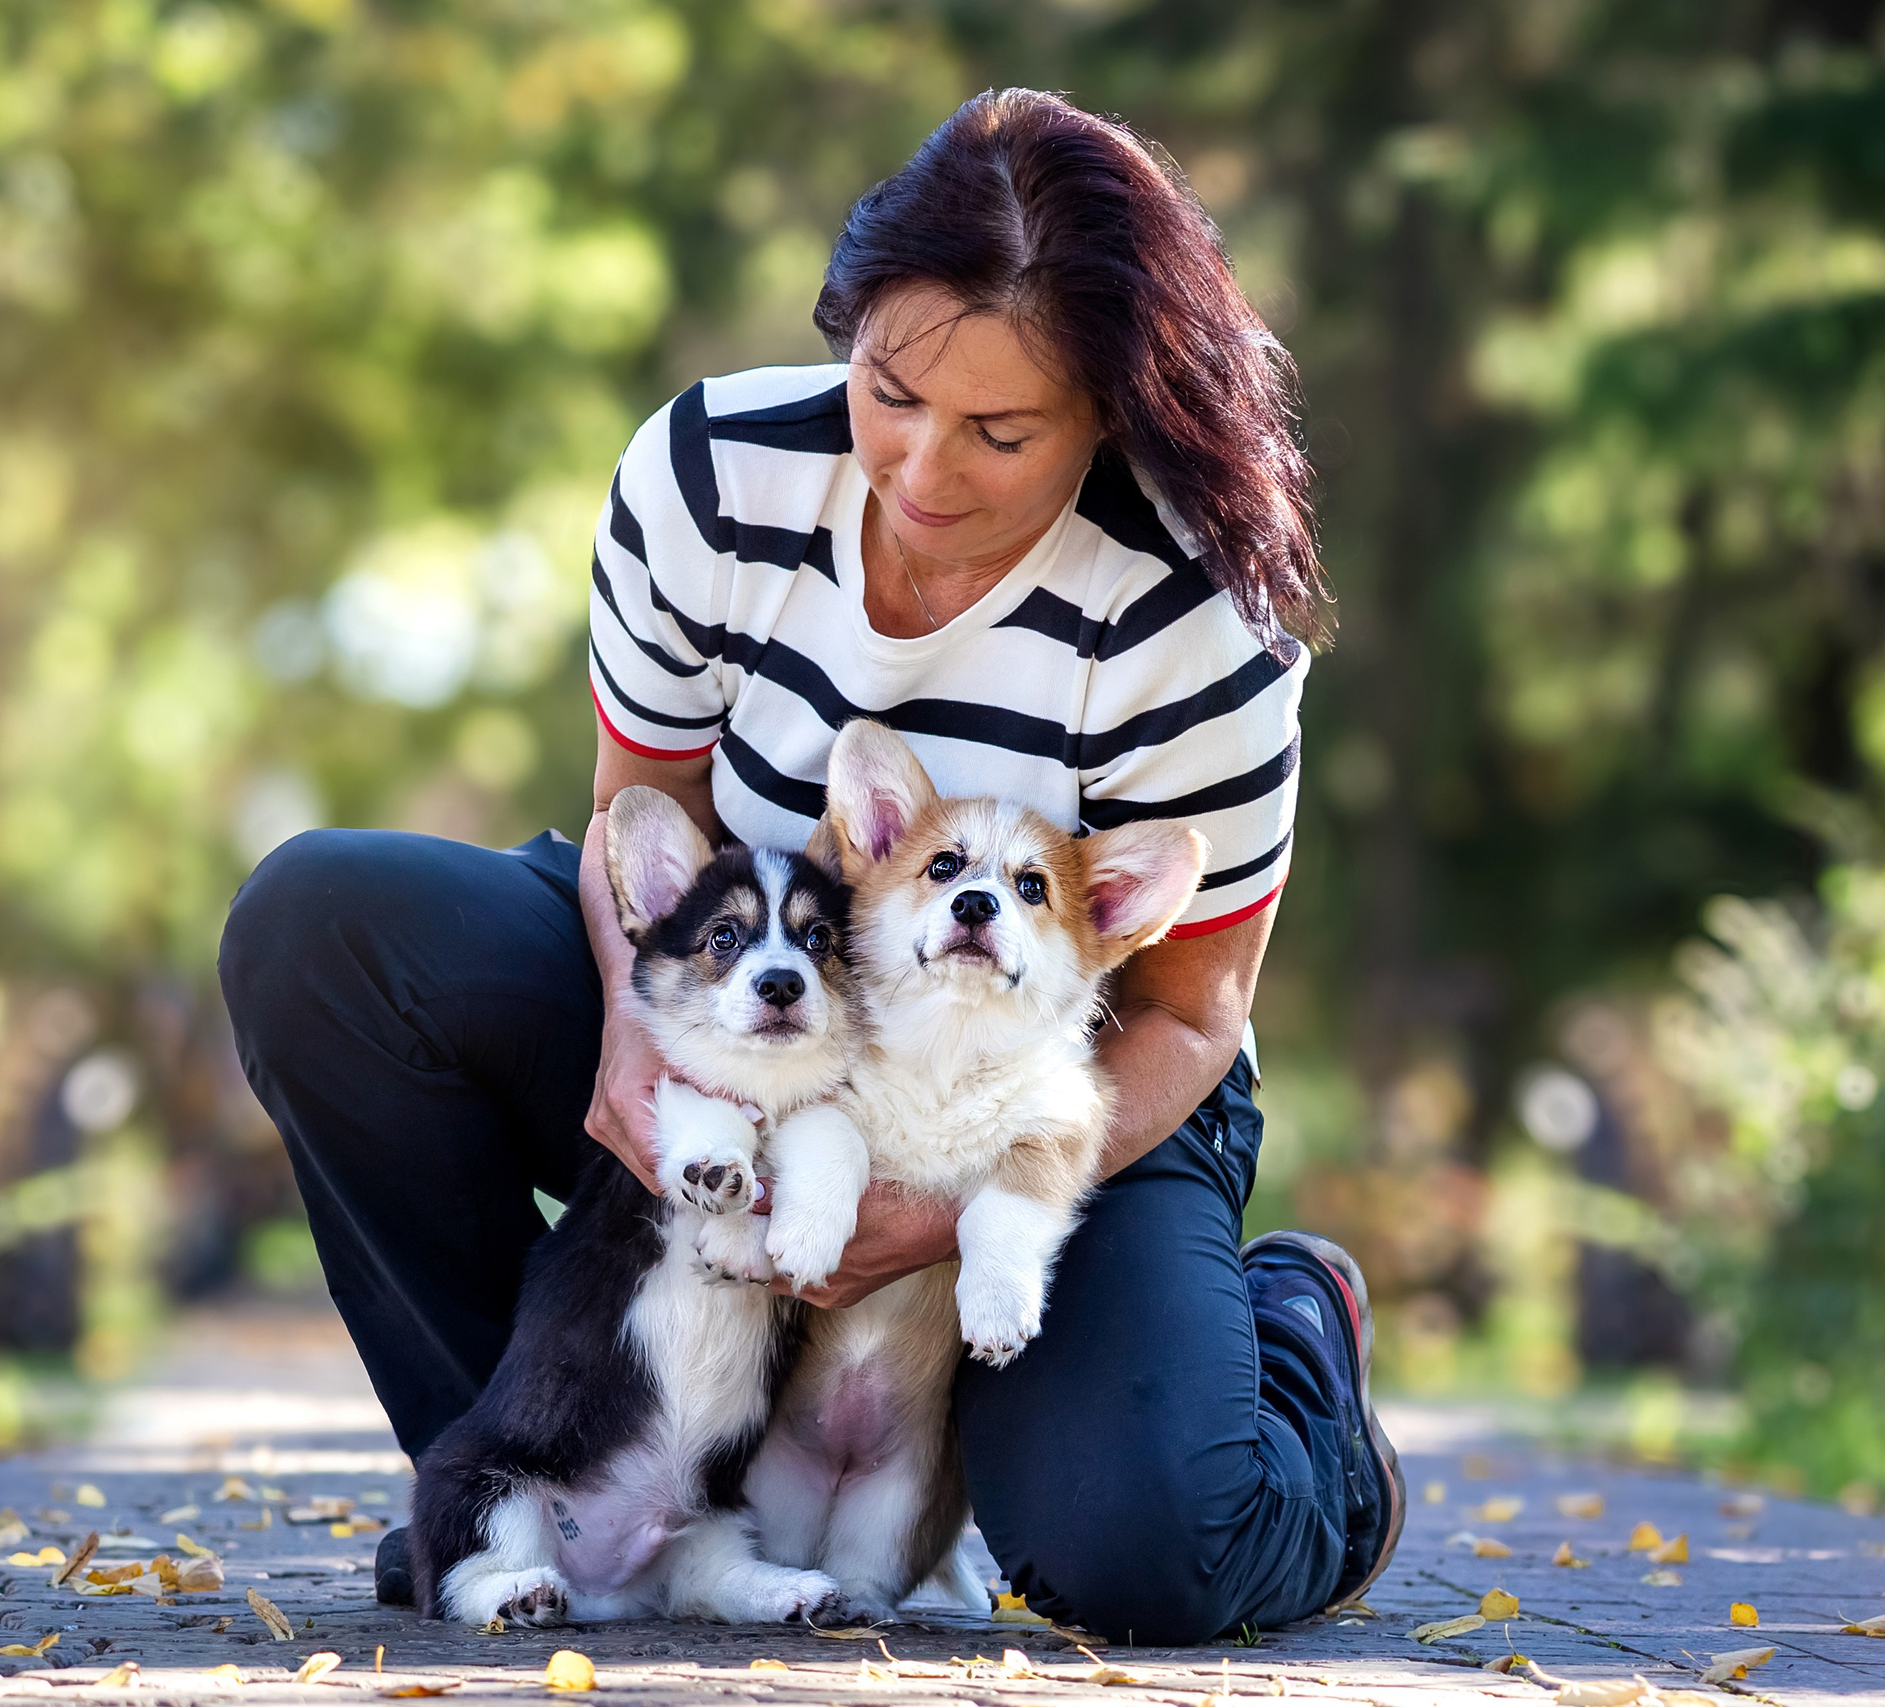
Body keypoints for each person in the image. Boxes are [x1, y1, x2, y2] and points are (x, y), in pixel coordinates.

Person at [218, 88, 1402, 1645]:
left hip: (1032, 1094)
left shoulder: (1196, 617)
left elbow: (1189, 1011)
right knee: (323, 928)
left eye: (1001, 432)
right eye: (890, 391)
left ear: (1110, 414)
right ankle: (546, 1489)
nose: (921, 468)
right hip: (749, 995)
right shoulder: (712, 473)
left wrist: (943, 1209)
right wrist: (635, 1040)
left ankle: (1296, 1353)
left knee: (1148, 1554)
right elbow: (639, 824)